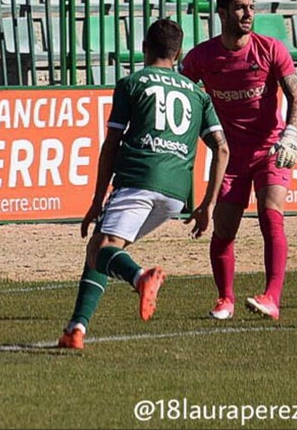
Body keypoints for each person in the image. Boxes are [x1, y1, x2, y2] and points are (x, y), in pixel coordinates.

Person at [57, 19, 228, 350]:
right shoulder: (197, 92)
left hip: (139, 179)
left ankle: (140, 278)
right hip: (176, 195)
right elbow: (221, 147)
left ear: (144, 47)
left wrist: (96, 200)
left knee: (101, 248)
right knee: (106, 248)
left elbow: (112, 143)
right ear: (178, 54)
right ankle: (76, 329)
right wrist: (208, 204)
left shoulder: (131, 82)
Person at [180, 0, 297, 322]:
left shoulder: (270, 48)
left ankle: (272, 298)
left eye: (251, 7)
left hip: (270, 149)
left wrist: (291, 133)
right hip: (230, 156)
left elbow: (295, 95)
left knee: (270, 212)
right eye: (239, 7)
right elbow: (182, 95)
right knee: (224, 229)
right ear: (221, 13)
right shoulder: (202, 57)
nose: (248, 13)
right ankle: (225, 300)